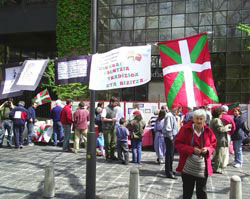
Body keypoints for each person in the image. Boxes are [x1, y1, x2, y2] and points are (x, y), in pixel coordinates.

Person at [174, 109, 217, 199]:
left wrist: (208, 149)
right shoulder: (185, 129)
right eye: (197, 118)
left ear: (204, 120)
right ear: (193, 119)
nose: (199, 121)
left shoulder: (208, 131)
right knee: (187, 192)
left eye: (201, 119)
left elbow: (213, 144)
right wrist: (192, 149)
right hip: (188, 166)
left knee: (202, 192)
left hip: (202, 168)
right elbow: (177, 143)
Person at [210, 108, 232, 174]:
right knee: (219, 155)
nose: (222, 115)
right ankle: (217, 168)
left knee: (216, 154)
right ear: (219, 114)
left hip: (215, 139)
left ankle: (215, 167)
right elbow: (220, 129)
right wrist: (227, 126)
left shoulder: (213, 120)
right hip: (219, 139)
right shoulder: (217, 120)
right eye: (221, 113)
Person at [162, 107, 178, 179]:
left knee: (171, 155)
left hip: (171, 137)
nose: (177, 109)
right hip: (169, 138)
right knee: (169, 155)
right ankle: (168, 172)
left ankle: (170, 170)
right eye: (176, 108)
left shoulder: (171, 115)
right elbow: (168, 128)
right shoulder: (169, 116)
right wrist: (171, 138)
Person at [101, 97, 118, 161]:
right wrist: (111, 120)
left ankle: (112, 155)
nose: (116, 104)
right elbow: (102, 119)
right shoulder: (105, 109)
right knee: (107, 142)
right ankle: (107, 156)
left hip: (113, 127)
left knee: (113, 142)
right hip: (106, 128)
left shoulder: (115, 109)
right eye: (115, 103)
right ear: (111, 102)